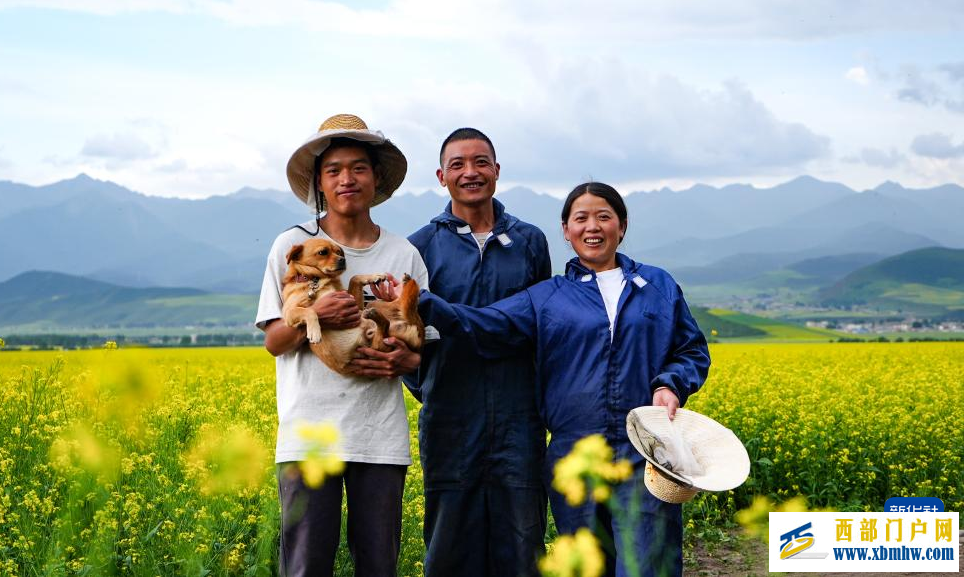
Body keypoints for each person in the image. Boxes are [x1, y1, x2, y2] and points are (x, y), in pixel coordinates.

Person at [414, 181, 710, 577]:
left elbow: (691, 349)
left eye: (604, 216)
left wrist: (670, 384)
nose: (593, 226)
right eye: (581, 218)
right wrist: (420, 300)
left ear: (621, 226)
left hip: (646, 450)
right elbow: (483, 323)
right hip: (575, 454)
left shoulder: (658, 286)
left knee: (646, 563)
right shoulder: (547, 296)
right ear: (566, 231)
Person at [255, 113, 428, 577]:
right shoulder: (291, 246)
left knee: (379, 564)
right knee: (306, 566)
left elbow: (420, 344)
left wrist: (403, 358)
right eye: (333, 170)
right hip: (308, 437)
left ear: (376, 179)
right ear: (319, 184)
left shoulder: (403, 254)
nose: (346, 179)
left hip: (379, 438)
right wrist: (321, 317)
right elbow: (274, 340)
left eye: (358, 168)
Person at [401, 128, 551, 576]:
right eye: (458, 165)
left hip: (518, 414)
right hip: (450, 413)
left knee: (523, 537)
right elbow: (410, 330)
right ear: (441, 176)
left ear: (497, 171)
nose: (471, 172)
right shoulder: (421, 246)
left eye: (481, 162)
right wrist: (430, 385)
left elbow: (541, 325)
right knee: (450, 539)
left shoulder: (530, 241)